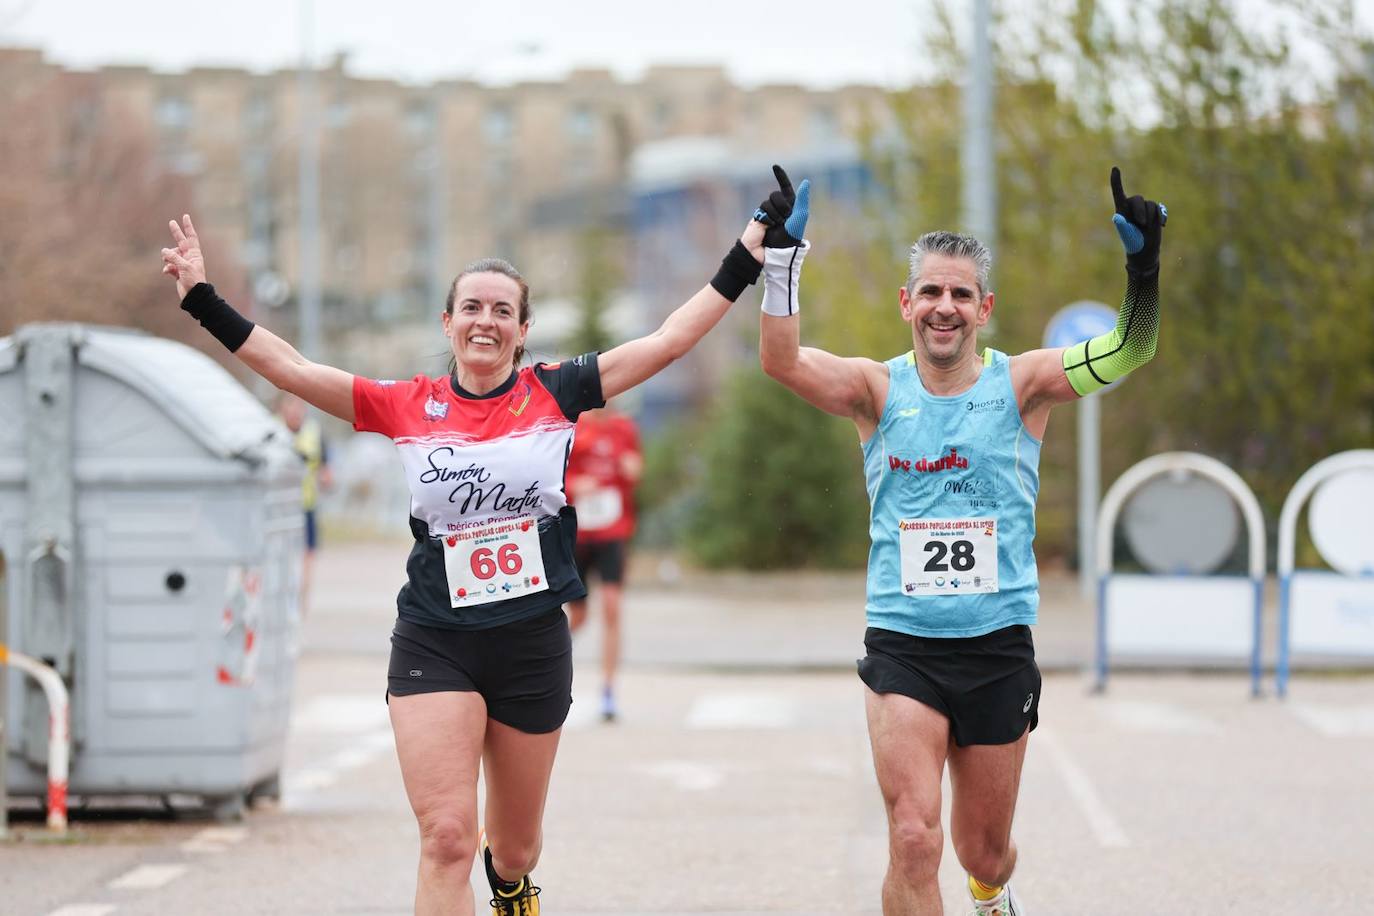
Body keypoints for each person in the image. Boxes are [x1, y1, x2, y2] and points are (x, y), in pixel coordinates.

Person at [160, 171, 779, 915]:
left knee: (511, 847)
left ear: (523, 330)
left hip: (530, 641)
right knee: (447, 837)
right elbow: (289, 367)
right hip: (436, 638)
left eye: (503, 311)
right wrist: (202, 299)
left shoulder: (558, 390)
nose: (486, 321)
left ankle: (513, 887)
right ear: (447, 322)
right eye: (472, 308)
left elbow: (672, 338)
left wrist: (749, 247)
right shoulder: (404, 404)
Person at [757, 167, 1166, 915]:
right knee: (913, 836)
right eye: (932, 293)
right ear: (907, 304)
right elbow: (781, 362)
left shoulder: (1025, 386)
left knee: (985, 849)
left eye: (961, 295)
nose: (945, 308)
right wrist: (783, 260)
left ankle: (989, 891)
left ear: (984, 309)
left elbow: (1128, 352)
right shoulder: (875, 390)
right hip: (904, 644)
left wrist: (1144, 271)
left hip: (996, 646)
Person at [564, 402, 642, 721]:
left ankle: (609, 690)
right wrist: (574, 486)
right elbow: (552, 479)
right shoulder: (573, 427)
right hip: (580, 535)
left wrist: (631, 468)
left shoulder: (624, 428)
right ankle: (544, 661)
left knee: (612, 606)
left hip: (613, 531)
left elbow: (636, 471)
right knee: (578, 616)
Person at [276, 392, 333, 615]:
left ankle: (299, 610)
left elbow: (326, 472)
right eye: (291, 407)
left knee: (306, 561)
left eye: (300, 408)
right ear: (282, 409)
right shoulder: (271, 430)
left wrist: (326, 478)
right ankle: (279, 606)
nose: (295, 413)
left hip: (306, 507)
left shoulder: (314, 433)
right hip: (278, 510)